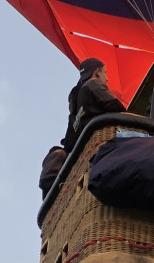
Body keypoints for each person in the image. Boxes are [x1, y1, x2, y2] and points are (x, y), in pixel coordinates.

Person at [39, 58, 124, 198]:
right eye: (105, 73)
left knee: (56, 152)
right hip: (101, 144)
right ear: (97, 72)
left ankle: (51, 193)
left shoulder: (74, 102)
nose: (107, 78)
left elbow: (69, 140)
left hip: (80, 155)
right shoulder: (93, 84)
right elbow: (116, 107)